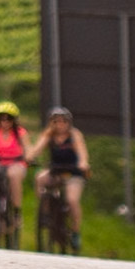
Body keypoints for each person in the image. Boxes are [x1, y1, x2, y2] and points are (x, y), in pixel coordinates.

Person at [26, 105, 89, 251]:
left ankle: (75, 231)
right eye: (56, 121)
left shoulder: (74, 135)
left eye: (63, 121)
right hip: (55, 172)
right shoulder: (49, 135)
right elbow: (37, 149)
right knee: (40, 178)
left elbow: (82, 151)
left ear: (69, 123)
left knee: (72, 200)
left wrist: (83, 163)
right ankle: (45, 211)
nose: (60, 125)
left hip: (73, 173)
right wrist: (29, 158)